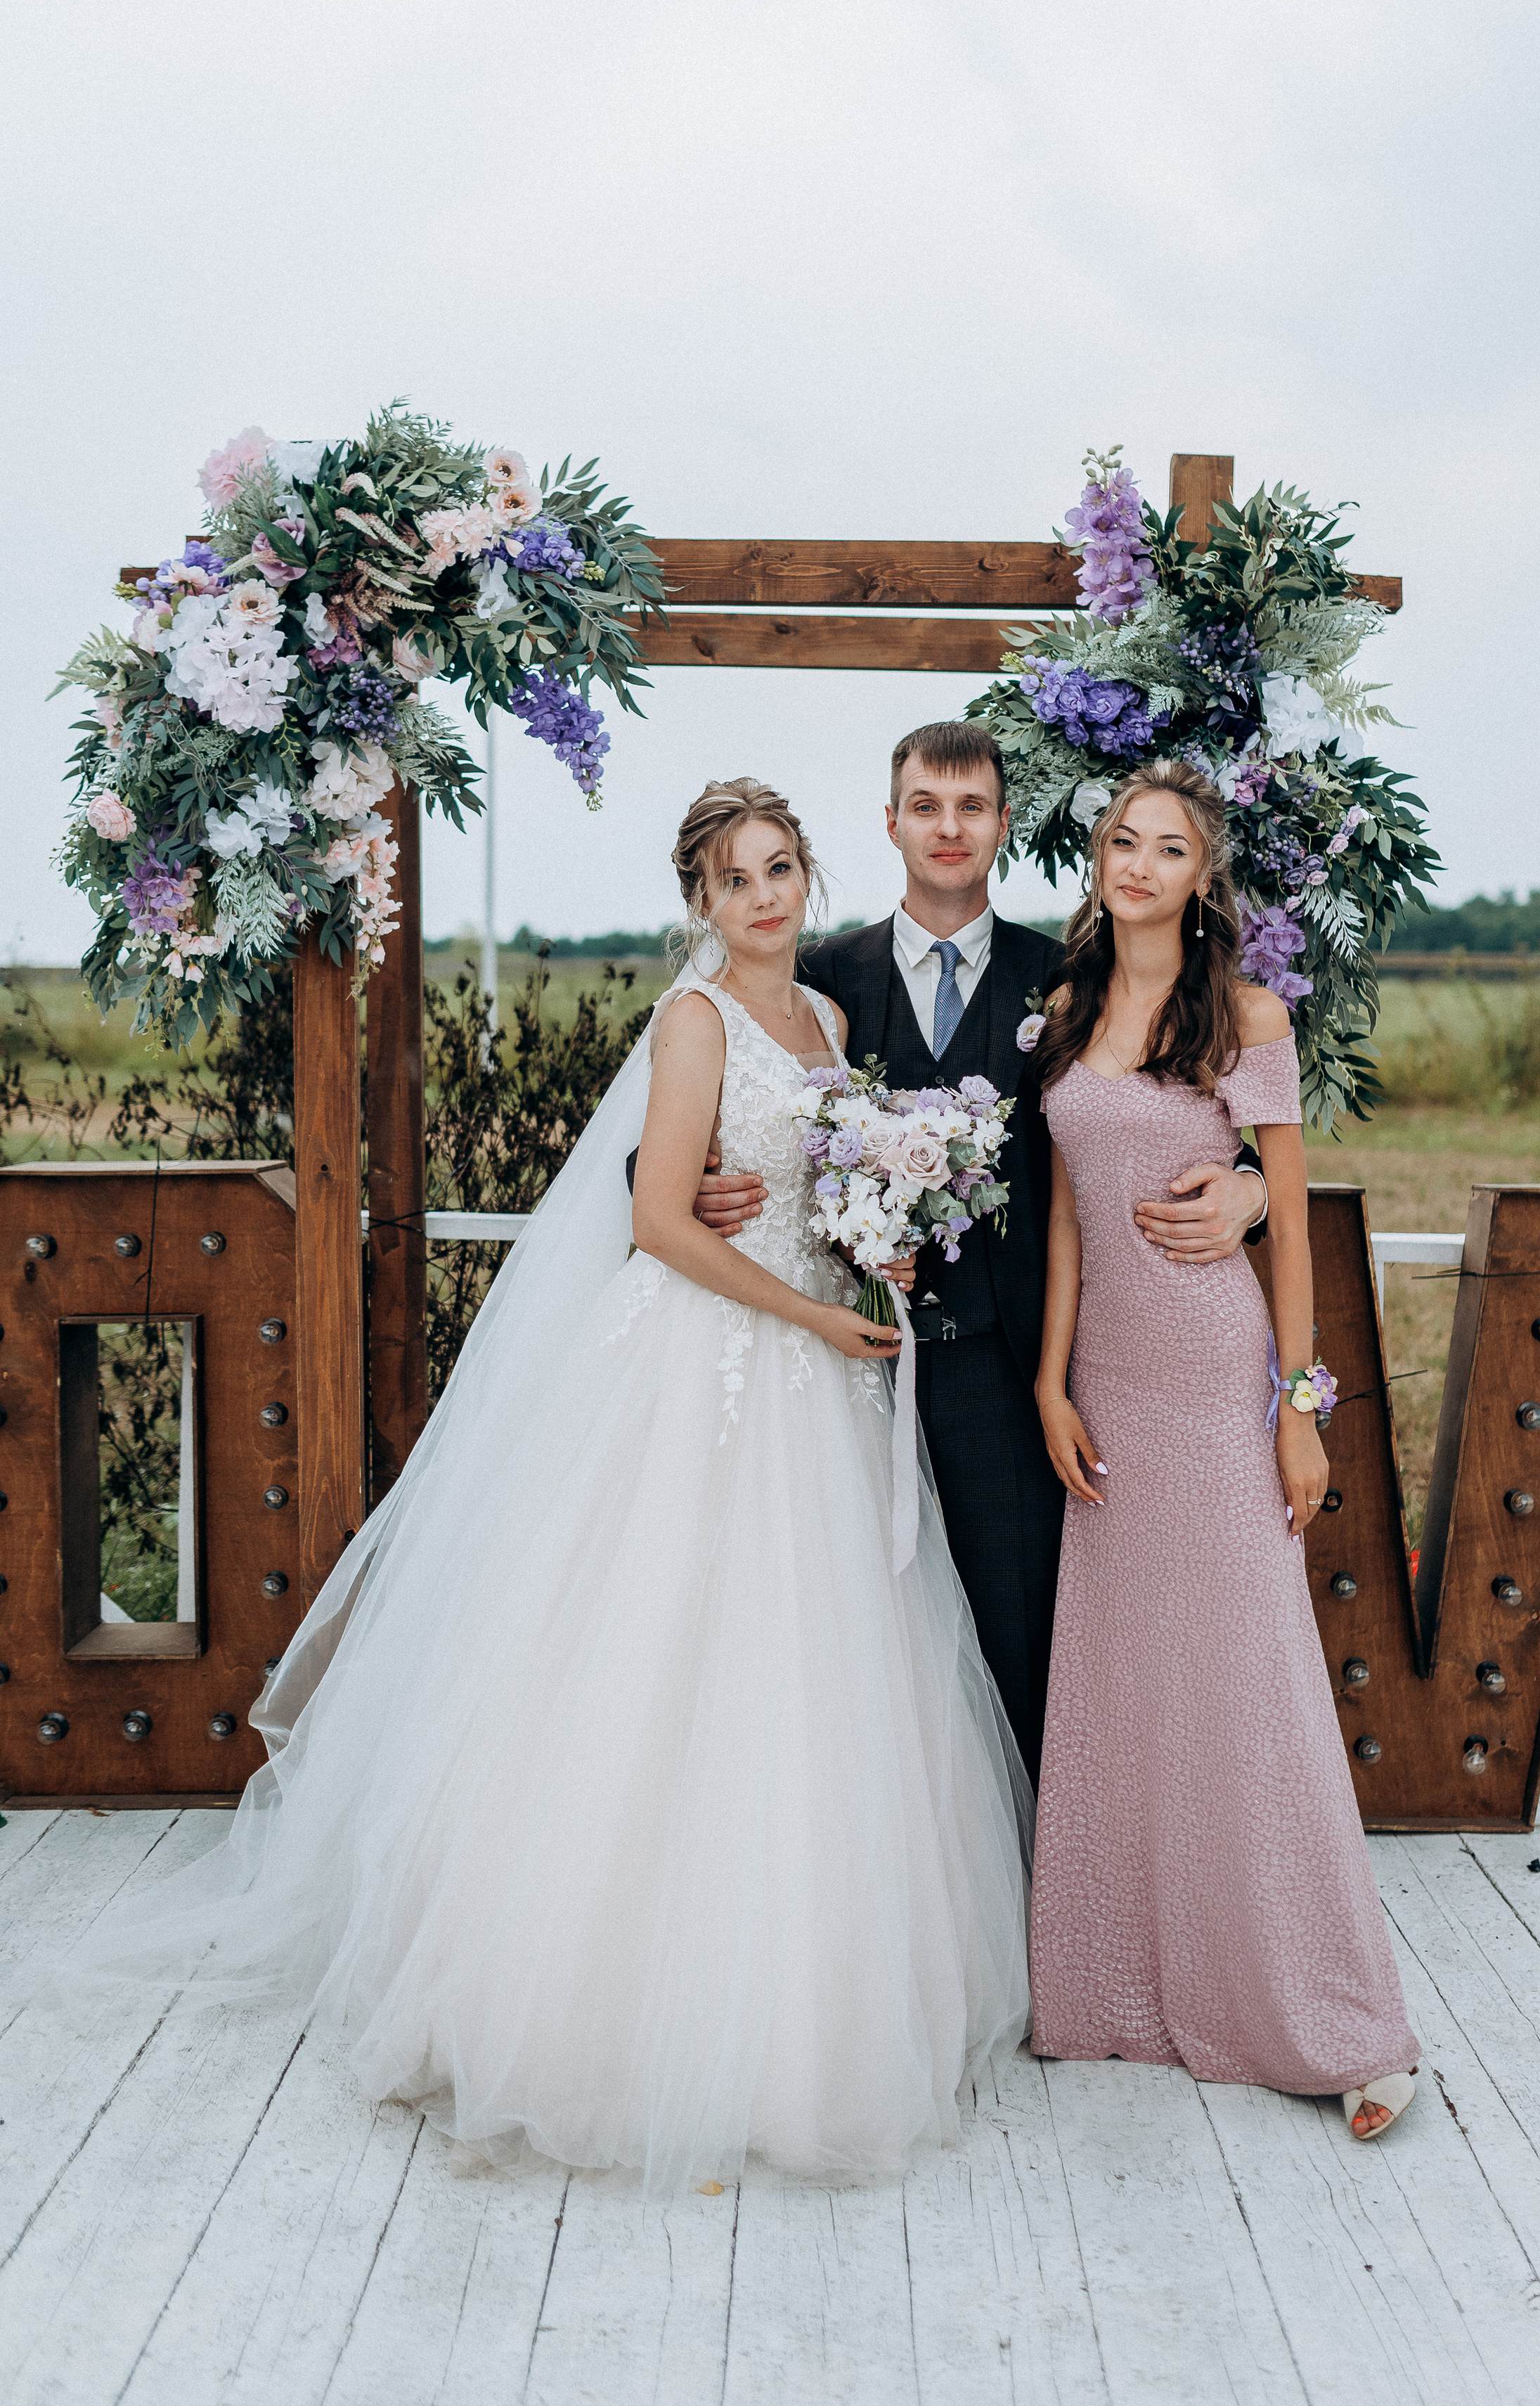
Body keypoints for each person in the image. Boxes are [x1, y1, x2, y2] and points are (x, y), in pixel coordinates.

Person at [51, 779, 1031, 2193]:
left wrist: (867, 1242)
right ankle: (588, 2003)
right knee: (644, 1649)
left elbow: (815, 1181)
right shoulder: (691, 1021)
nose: (761, 895)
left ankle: (799, 1979)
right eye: (732, 877)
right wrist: (810, 1314)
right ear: (698, 901)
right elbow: (652, 1220)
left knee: (802, 1670)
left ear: (806, 876)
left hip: (820, 1365)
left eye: (777, 868)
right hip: (714, 1359)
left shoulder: (821, 1022)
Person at [687, 719, 1269, 1781]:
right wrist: (675, 1180)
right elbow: (694, 1108)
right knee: (846, 1652)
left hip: (1014, 1377)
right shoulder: (817, 977)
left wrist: (1254, 1190)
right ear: (893, 823)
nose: (948, 828)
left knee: (1023, 1647)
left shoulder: (1073, 984)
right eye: (926, 806)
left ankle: (1037, 1912)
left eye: (971, 807)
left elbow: (1177, 1123)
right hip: (839, 1376)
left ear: (1003, 823)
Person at [1027, 757, 1422, 2144]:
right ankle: (1117, 1994)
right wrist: (1047, 1379)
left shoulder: (1246, 1013)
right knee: (1124, 1681)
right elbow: (1073, 1211)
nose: (1137, 864)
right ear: (1096, 859)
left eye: (1167, 847)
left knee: (1250, 1686)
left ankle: (1346, 2024)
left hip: (1213, 1371)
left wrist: (1296, 1404)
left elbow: (1293, 1216)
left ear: (1203, 876)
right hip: (1107, 1385)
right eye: (1120, 841)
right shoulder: (1072, 1009)